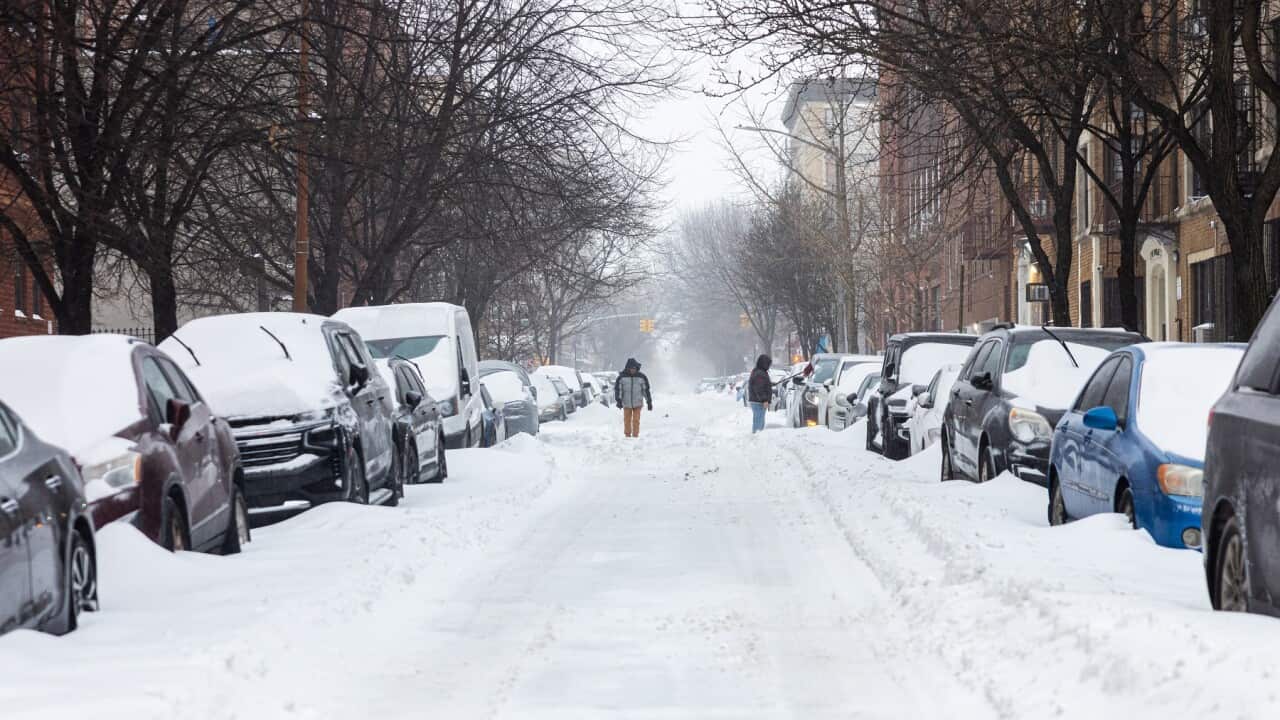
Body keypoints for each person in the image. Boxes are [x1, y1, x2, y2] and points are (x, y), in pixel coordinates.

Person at [614, 357, 653, 438]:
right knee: (627, 420)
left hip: (638, 403)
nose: (633, 370)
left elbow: (645, 390)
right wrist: (619, 400)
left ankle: (635, 436)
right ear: (628, 368)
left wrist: (649, 402)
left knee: (636, 420)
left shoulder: (641, 377)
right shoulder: (622, 377)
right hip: (626, 403)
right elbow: (618, 389)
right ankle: (627, 436)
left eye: (634, 368)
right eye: (631, 368)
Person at [747, 354, 775, 433]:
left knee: (759, 421)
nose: (769, 366)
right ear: (764, 363)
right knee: (759, 423)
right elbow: (759, 389)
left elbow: (761, 385)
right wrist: (764, 400)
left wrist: (769, 384)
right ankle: (756, 438)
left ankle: (757, 437)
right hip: (758, 402)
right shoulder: (760, 373)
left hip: (757, 401)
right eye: (768, 364)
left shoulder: (758, 372)